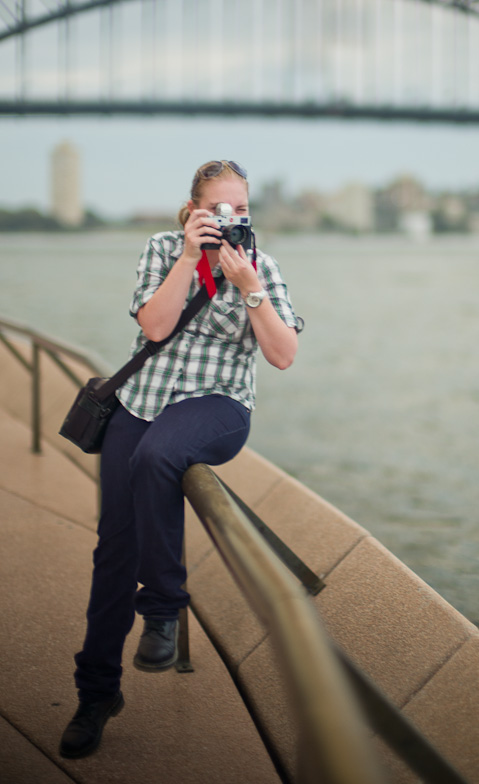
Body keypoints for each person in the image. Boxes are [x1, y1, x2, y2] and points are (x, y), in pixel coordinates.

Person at [59, 160, 300, 759]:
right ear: (193, 210)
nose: (229, 220)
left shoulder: (261, 265)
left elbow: (283, 354)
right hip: (141, 400)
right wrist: (190, 260)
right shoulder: (163, 249)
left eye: (239, 210)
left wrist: (247, 286)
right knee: (113, 549)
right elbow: (155, 324)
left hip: (216, 406)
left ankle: (163, 609)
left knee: (161, 455)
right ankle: (96, 694)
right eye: (217, 210)